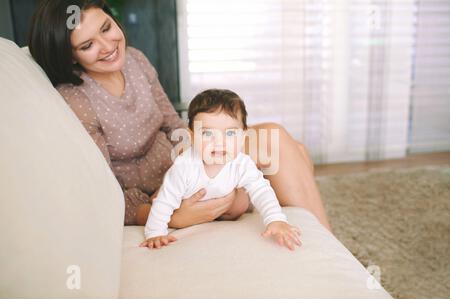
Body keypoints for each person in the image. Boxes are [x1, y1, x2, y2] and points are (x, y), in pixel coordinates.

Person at [28, 0, 332, 232]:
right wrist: (173, 215)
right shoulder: (76, 100)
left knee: (283, 146)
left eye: (106, 28)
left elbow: (173, 122)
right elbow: (104, 190)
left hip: (185, 155)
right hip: (163, 187)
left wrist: (206, 148)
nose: (108, 47)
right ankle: (324, 256)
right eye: (87, 45)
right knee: (283, 154)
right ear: (70, 56)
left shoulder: (135, 60)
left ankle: (321, 249)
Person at [140, 89, 302, 251]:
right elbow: (164, 202)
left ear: (243, 136)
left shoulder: (242, 163)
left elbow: (261, 190)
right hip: (187, 205)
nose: (219, 142)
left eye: (230, 133)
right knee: (162, 195)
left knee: (298, 153)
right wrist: (155, 233)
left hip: (225, 208)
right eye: (207, 133)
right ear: (192, 136)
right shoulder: (184, 167)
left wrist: (276, 219)